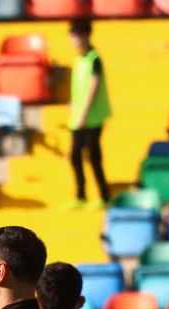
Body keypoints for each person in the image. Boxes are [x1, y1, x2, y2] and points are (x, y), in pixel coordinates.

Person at [67, 17, 111, 208]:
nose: (74, 40)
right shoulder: (79, 59)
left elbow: (94, 87)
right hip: (78, 117)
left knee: (93, 156)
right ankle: (81, 194)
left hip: (91, 117)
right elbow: (79, 86)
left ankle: (104, 195)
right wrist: (73, 104)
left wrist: (83, 112)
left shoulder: (95, 59)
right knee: (75, 156)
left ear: (86, 36)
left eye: (76, 35)